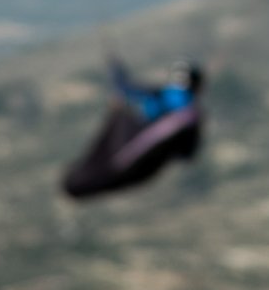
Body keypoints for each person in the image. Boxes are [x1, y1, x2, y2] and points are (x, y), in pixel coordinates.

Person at [60, 59, 205, 199]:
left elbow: (127, 89)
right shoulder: (190, 113)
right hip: (144, 165)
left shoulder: (164, 96)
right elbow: (187, 154)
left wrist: (115, 71)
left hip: (132, 154)